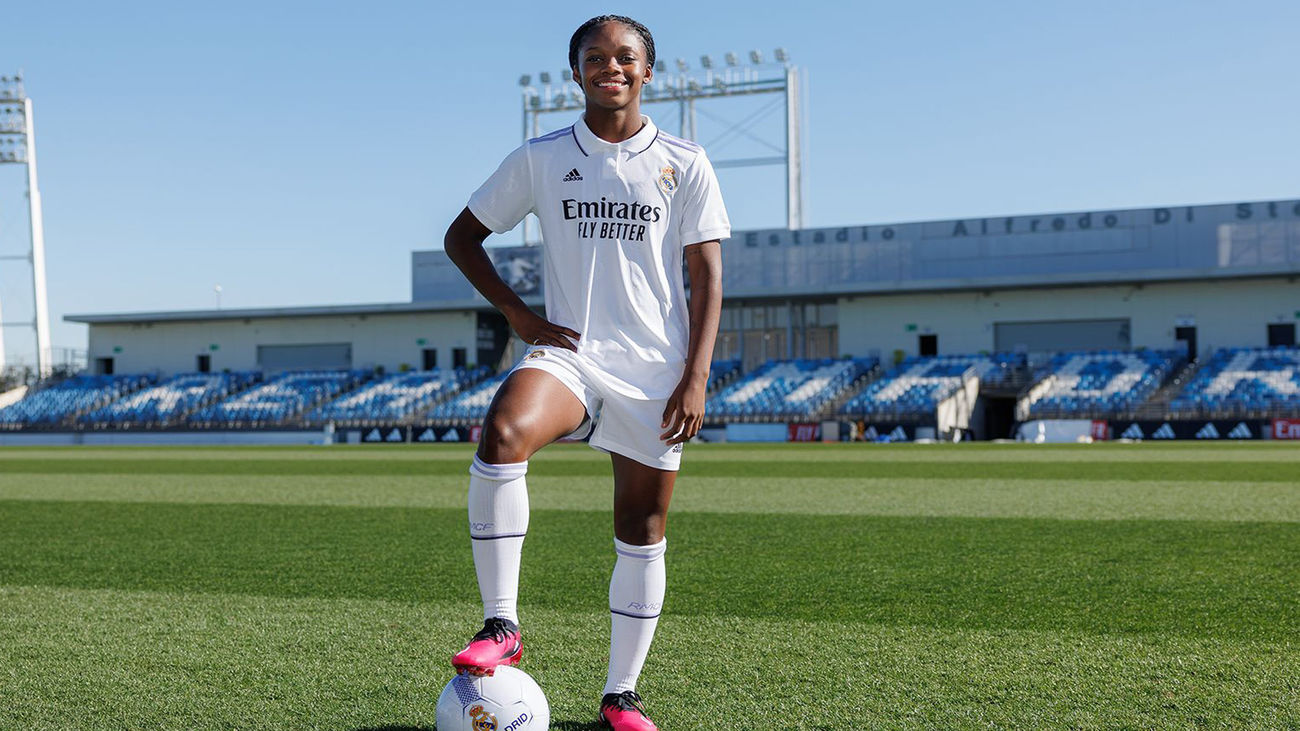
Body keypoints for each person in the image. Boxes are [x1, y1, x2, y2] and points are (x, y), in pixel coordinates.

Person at [442, 14, 728, 730]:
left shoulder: (684, 161)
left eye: (625, 56)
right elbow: (463, 237)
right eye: (594, 57)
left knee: (642, 525)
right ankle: (502, 623)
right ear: (575, 73)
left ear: (648, 70)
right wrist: (517, 313)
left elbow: (707, 275)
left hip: (656, 372)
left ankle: (620, 695)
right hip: (569, 353)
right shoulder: (540, 157)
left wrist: (695, 376)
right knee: (504, 428)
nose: (611, 66)